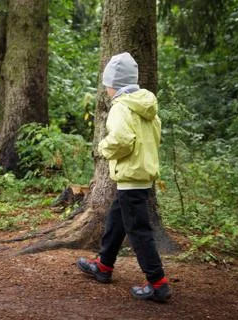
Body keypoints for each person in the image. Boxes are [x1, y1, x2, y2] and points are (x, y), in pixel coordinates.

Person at [76, 52, 171, 302]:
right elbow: (156, 138)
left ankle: (158, 283)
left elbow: (121, 140)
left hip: (130, 175)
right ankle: (104, 266)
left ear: (114, 84)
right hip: (142, 175)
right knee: (117, 218)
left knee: (138, 230)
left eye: (107, 84)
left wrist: (103, 148)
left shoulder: (121, 108)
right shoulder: (147, 107)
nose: (106, 89)